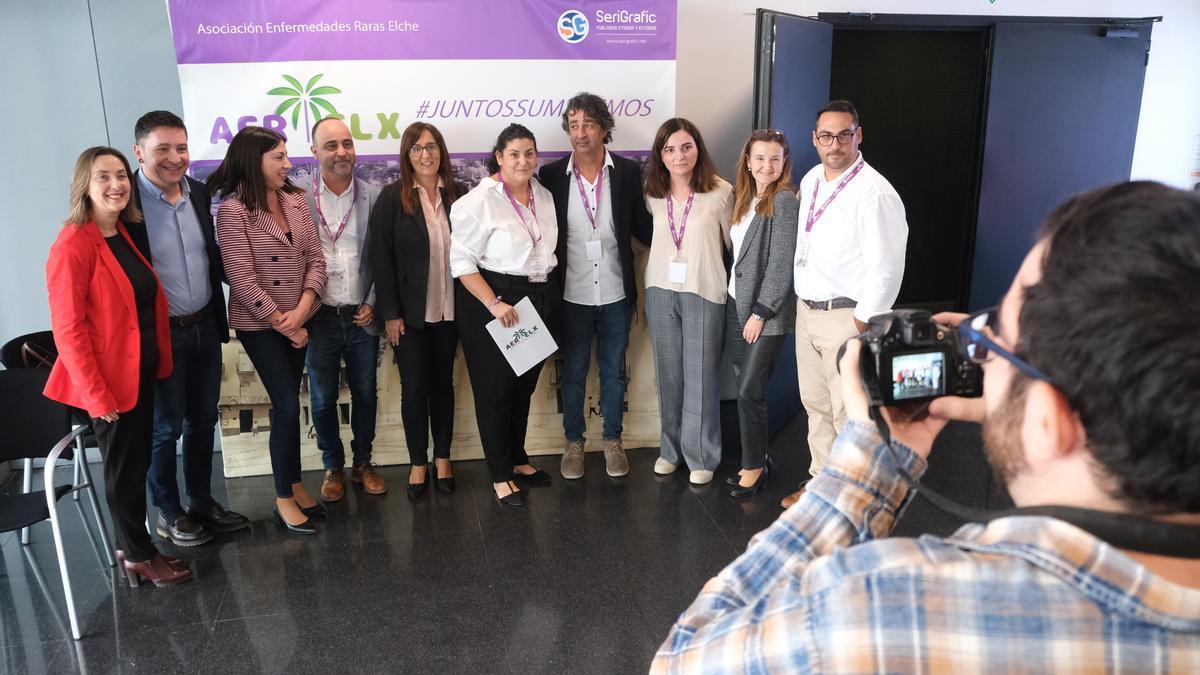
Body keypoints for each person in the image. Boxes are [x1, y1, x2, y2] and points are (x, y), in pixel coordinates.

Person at [653, 181, 1200, 671]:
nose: (975, 345)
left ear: (1052, 421)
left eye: (995, 332)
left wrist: (871, 454)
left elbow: (684, 659)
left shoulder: (893, 607)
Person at [44, 147, 192, 587]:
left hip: (139, 374)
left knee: (136, 462)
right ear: (84, 187)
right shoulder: (73, 243)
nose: (116, 185)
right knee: (124, 471)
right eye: (103, 177)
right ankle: (138, 555)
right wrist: (95, 395)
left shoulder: (119, 231)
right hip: (107, 386)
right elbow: (68, 332)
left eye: (122, 176)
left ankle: (134, 544)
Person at [127, 111, 249, 548]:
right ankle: (168, 510)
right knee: (165, 429)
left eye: (181, 148)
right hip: (162, 335)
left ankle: (200, 501)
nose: (175, 158)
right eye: (163, 149)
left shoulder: (198, 193)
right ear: (139, 152)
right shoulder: (127, 206)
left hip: (204, 325)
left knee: (202, 420)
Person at [782, 99, 908, 509]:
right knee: (816, 405)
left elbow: (887, 267)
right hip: (808, 311)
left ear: (859, 135)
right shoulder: (814, 177)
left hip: (845, 317)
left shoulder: (875, 192)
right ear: (814, 140)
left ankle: (852, 495)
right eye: (826, 136)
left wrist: (862, 322)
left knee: (849, 414)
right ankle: (821, 484)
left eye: (843, 134)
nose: (834, 144)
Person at [210, 126, 327, 534]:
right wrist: (284, 322)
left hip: (299, 316)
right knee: (287, 406)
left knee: (288, 404)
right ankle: (281, 497)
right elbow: (240, 277)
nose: (288, 164)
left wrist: (303, 310)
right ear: (253, 160)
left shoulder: (295, 200)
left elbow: (316, 260)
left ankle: (294, 482)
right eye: (278, 156)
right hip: (260, 324)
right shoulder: (233, 210)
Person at [537, 92, 653, 480]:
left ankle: (612, 440)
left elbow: (642, 227)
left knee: (613, 372)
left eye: (588, 124)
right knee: (571, 373)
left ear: (604, 128)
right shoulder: (551, 176)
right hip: (570, 296)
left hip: (616, 294)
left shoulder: (627, 172)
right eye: (573, 125)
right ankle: (574, 442)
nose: (580, 132)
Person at [449, 124, 559, 507]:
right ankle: (498, 475)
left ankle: (517, 458)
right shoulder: (476, 202)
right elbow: (461, 264)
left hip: (536, 296)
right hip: (494, 300)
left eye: (529, 153)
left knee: (522, 389)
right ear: (499, 157)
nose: (523, 161)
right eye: (514, 154)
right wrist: (494, 303)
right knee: (495, 392)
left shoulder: (543, 196)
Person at [370, 122, 465, 499]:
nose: (426, 155)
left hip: (451, 311)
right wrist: (389, 312)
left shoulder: (459, 195)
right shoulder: (393, 198)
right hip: (409, 317)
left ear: (441, 151)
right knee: (414, 389)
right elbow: (382, 258)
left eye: (431, 147)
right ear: (407, 156)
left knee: (443, 386)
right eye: (417, 149)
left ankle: (443, 458)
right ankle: (417, 462)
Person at [642, 118, 733, 485]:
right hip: (660, 290)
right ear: (660, 155)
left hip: (704, 289)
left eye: (686, 147)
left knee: (701, 377)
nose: (678, 155)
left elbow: (733, 247)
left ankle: (702, 456)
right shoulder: (653, 194)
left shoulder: (720, 192)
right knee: (668, 376)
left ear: (698, 149)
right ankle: (671, 450)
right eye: (669, 149)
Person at [301, 117, 384, 503]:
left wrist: (372, 302)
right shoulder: (298, 198)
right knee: (322, 398)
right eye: (331, 145)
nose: (342, 152)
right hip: (319, 318)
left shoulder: (374, 195)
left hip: (361, 315)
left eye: (347, 144)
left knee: (366, 393)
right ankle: (332, 465)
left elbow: (385, 258)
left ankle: (363, 462)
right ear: (315, 151)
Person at [723, 130, 799, 499]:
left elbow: (782, 264)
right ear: (748, 162)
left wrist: (760, 312)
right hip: (735, 307)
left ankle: (754, 467)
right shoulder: (745, 198)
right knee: (745, 390)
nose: (766, 166)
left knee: (750, 390)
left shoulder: (783, 200)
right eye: (759, 159)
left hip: (763, 314)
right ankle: (756, 458)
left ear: (784, 161)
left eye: (774, 158)